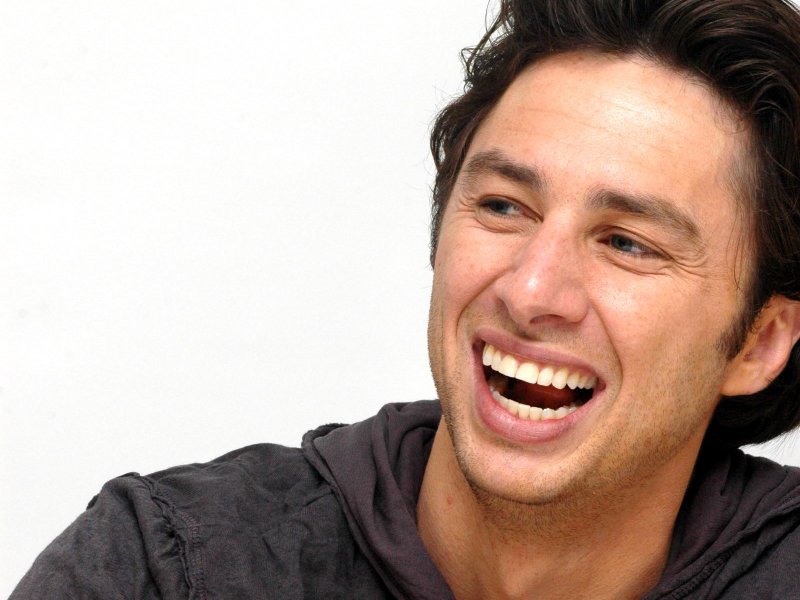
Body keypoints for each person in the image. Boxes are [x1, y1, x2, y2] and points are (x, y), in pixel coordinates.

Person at [11, 0, 800, 598]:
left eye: (627, 243)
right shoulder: (163, 571)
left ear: (759, 341)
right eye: (503, 206)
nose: (531, 291)